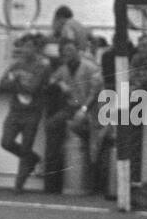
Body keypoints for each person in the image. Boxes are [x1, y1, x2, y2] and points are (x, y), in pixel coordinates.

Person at [42, 38, 102, 195]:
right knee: (51, 125)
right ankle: (52, 182)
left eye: (70, 50)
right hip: (71, 108)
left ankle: (94, 184)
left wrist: (84, 109)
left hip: (91, 109)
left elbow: (95, 92)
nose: (67, 53)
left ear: (77, 50)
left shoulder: (90, 67)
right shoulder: (63, 69)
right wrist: (59, 83)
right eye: (65, 51)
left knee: (90, 138)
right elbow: (52, 79)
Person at [0, 35, 52, 192]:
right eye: (23, 46)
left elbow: (33, 88)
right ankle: (33, 159)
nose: (25, 50)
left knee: (26, 146)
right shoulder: (16, 65)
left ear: (36, 48)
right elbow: (1, 83)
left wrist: (15, 82)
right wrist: (16, 82)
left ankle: (19, 184)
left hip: (32, 112)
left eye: (29, 46)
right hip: (15, 110)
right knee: (6, 142)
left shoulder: (42, 66)